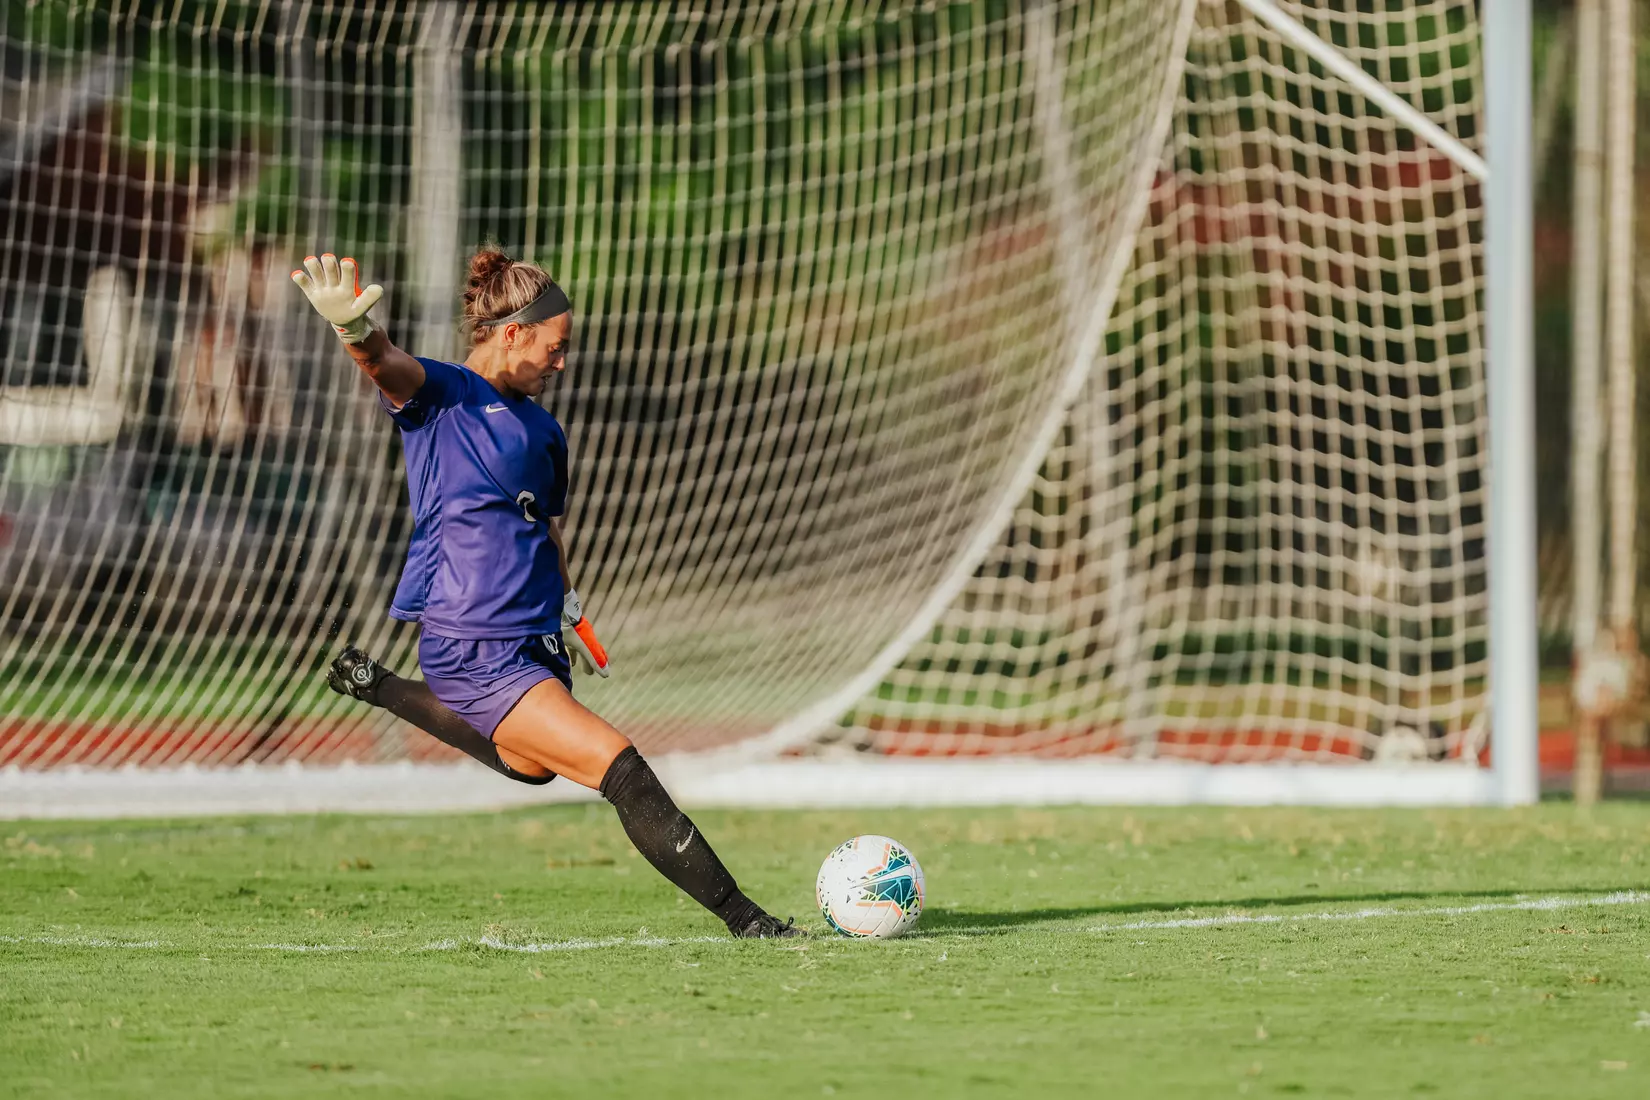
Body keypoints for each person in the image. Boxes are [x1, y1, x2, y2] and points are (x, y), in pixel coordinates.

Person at [291, 248, 801, 939]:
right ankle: (750, 922)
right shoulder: (443, 394)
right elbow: (386, 364)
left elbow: (544, 525)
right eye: (554, 349)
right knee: (619, 768)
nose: (562, 364)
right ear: (511, 334)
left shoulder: (544, 428)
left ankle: (377, 684)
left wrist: (571, 606)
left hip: (535, 635)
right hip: (472, 643)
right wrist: (356, 332)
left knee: (529, 765)